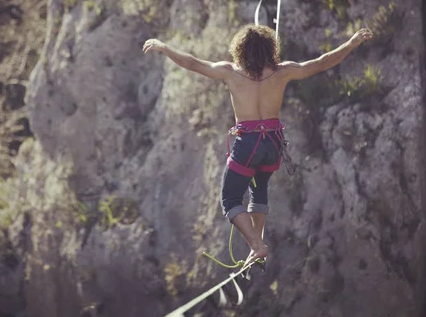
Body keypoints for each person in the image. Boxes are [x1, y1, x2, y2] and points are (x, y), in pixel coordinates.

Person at [142, 25, 373, 265]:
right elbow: (321, 63)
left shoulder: (231, 72)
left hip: (248, 143)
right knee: (258, 190)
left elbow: (193, 63)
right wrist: (351, 43)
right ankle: (257, 244)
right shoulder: (283, 72)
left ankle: (256, 244)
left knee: (230, 199)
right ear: (270, 49)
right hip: (273, 144)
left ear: (240, 50)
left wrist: (164, 47)